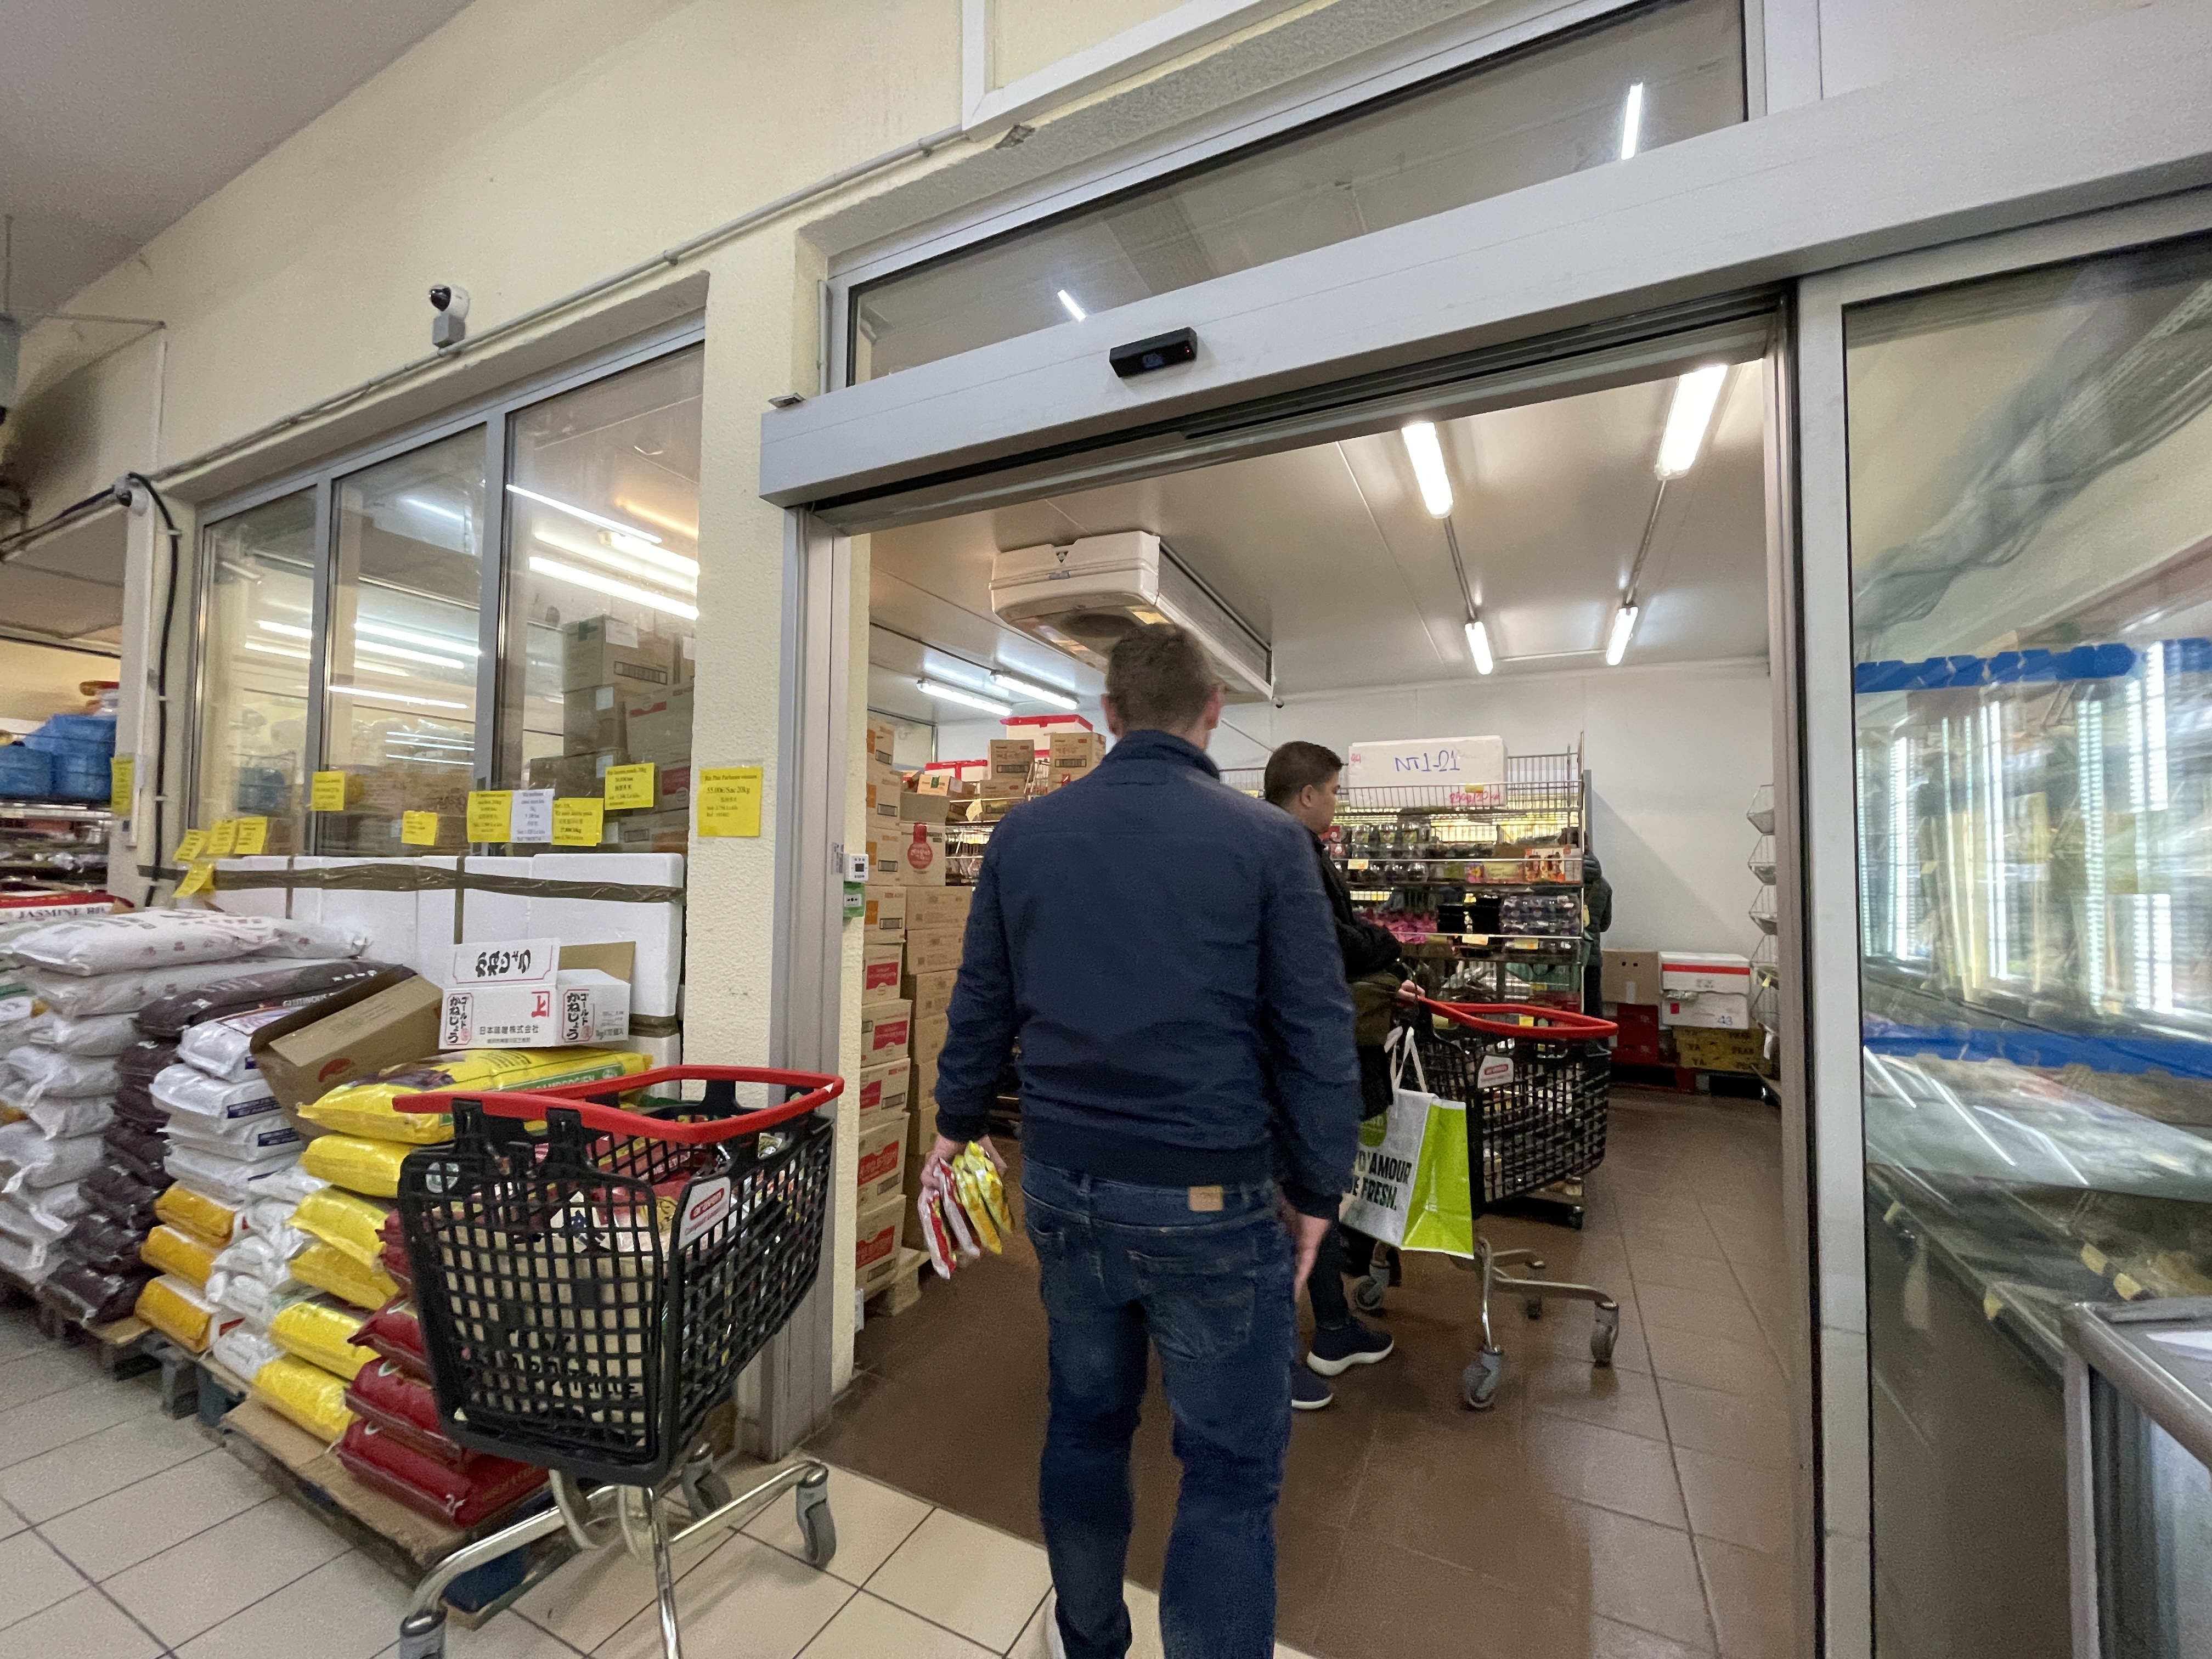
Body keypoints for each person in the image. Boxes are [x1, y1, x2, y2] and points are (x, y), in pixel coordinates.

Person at [924, 624, 1359, 1659]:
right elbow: (1315, 1032)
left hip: (1063, 1183)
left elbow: (982, 998)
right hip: (1212, 1193)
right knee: (1226, 1470)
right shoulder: (1269, 843)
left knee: (1084, 1422)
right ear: (1214, 709)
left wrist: (954, 1123)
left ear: (1108, 714)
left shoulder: (1025, 838)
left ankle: (1088, 1637)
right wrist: (1316, 1189)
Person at [1261, 741, 1400, 1410]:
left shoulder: (1286, 847)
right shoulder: (1285, 851)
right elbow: (1326, 943)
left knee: (1308, 1190)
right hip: (1285, 1052)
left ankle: (1335, 1327)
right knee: (1282, 1201)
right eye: (1336, 791)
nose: (1337, 803)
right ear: (1309, 793)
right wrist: (1387, 945)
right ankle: (1272, 1358)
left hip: (1293, 1047)